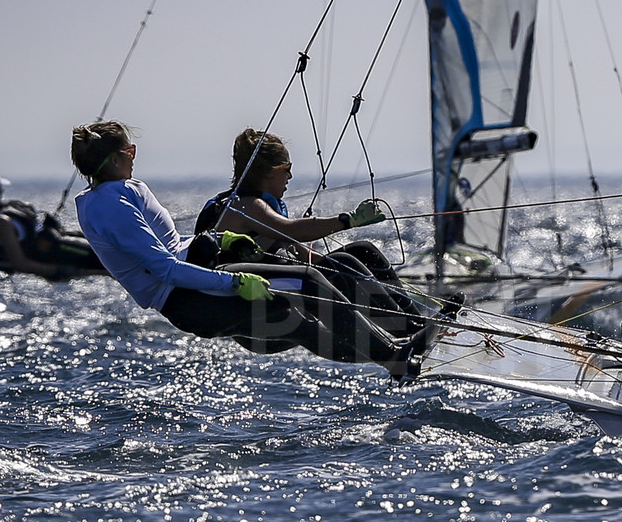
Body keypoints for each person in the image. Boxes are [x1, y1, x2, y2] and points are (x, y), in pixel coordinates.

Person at [69, 120, 442, 377]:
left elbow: (177, 247)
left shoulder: (131, 189)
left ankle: (402, 341)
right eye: (130, 150)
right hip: (185, 297)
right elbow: (165, 269)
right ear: (116, 157)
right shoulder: (108, 205)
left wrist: (222, 241)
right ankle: (396, 355)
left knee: (306, 307)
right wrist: (234, 283)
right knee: (309, 289)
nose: (134, 156)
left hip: (197, 276)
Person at [192, 128, 426, 335]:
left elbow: (301, 252)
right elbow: (290, 230)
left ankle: (416, 323)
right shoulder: (245, 206)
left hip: (281, 282)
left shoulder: (258, 204)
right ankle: (406, 330)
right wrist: (348, 220)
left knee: (361, 252)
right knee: (343, 262)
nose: (290, 176)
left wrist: (337, 269)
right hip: (250, 299)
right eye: (287, 168)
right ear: (268, 171)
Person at [0, 170, 105, 280]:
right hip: (58, 253)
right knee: (109, 258)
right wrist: (59, 271)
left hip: (58, 241)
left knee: (108, 252)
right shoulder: (1, 223)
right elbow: (20, 263)